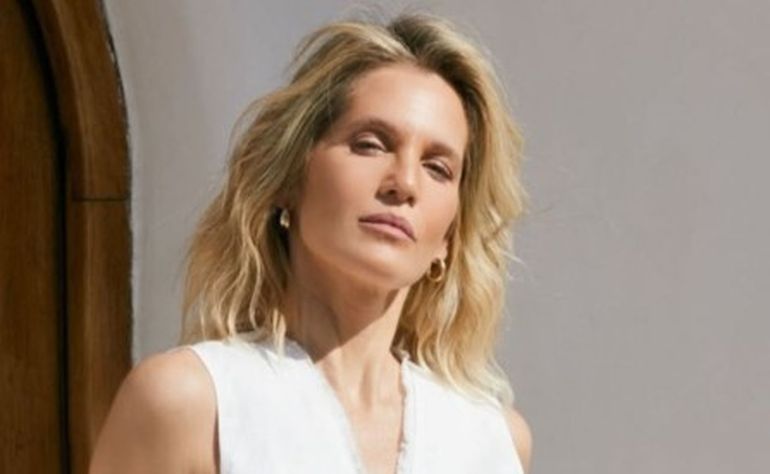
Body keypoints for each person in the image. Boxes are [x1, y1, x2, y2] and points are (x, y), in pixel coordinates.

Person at [90, 11, 533, 474]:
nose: (404, 183)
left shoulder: (494, 440)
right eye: (370, 144)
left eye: (438, 168)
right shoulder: (190, 404)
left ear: (449, 238)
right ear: (289, 178)